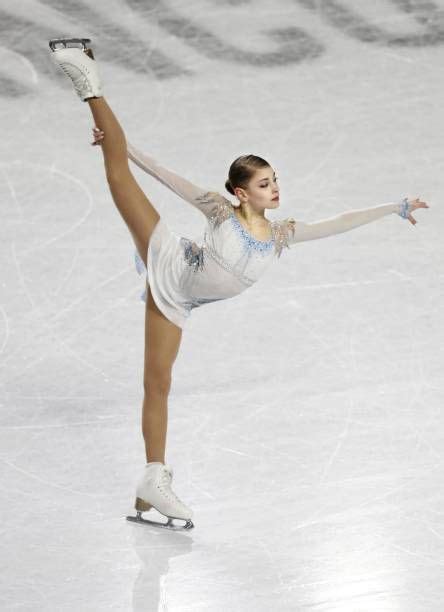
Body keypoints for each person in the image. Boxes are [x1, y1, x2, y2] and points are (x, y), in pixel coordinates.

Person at [48, 38, 429, 530]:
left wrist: (393, 208)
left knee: (158, 384)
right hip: (170, 259)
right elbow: (165, 176)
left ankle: (150, 483)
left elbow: (339, 221)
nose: (275, 188)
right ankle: (86, 79)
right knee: (118, 171)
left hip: (180, 301)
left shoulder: (280, 236)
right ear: (239, 191)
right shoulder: (218, 211)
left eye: (275, 179)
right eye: (265, 183)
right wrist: (127, 149)